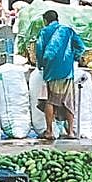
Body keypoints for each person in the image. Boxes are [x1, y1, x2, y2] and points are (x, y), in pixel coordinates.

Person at [36, 10, 86, 141]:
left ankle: (49, 131)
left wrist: (41, 65)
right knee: (68, 100)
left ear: (46, 21)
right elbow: (81, 46)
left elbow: (39, 50)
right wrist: (73, 57)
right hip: (67, 71)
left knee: (51, 100)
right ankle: (70, 132)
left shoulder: (44, 32)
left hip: (51, 71)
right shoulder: (68, 30)